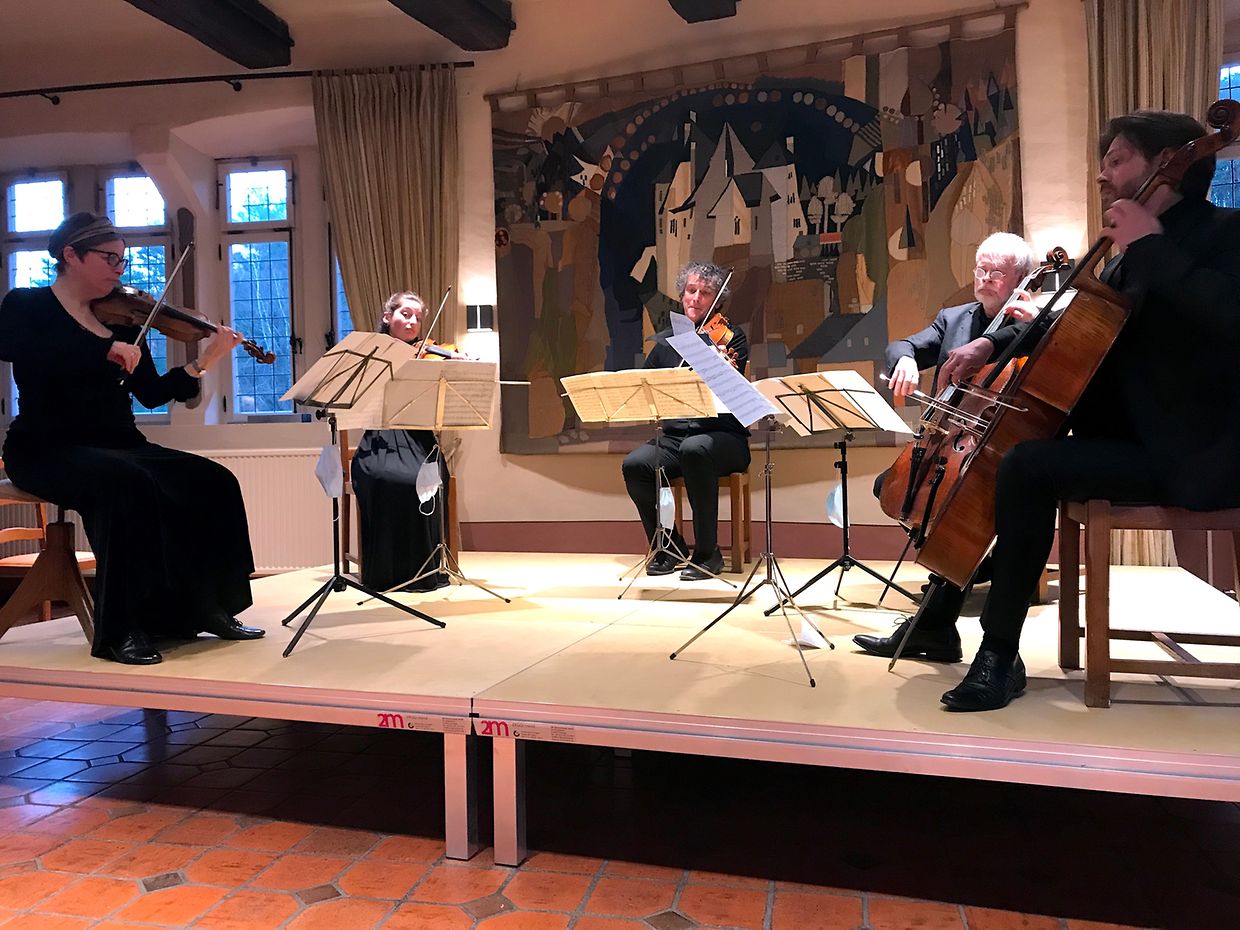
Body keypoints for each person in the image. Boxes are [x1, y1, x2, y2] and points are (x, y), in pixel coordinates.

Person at [928, 109, 1240, 711]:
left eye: (1116, 160)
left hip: (1197, 452)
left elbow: (1229, 314)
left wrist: (1150, 246)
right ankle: (984, 644)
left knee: (1025, 466)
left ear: (1166, 166)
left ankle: (993, 651)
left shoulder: (1224, 232)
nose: (1102, 175)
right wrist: (990, 343)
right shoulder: (1120, 257)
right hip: (1126, 445)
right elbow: (1068, 319)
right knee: (1018, 460)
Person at [0, 212, 262, 666]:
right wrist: (100, 349)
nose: (120, 269)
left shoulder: (122, 320)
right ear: (71, 255)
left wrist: (204, 361)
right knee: (126, 483)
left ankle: (208, 607)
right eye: (110, 258)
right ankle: (120, 630)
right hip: (45, 445)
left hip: (120, 442)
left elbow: (152, 393)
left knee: (213, 480)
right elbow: (14, 347)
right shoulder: (27, 305)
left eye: (123, 260)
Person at [855, 232, 1038, 662]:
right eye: (981, 268)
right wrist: (904, 359)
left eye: (997, 272)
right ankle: (946, 603)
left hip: (1005, 450)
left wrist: (1035, 324)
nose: (985, 278)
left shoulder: (1035, 323)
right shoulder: (954, 319)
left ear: (1021, 278)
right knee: (892, 488)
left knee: (952, 508)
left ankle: (939, 616)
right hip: (953, 443)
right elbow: (903, 345)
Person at [621, 261, 750, 581]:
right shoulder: (665, 343)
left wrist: (720, 366)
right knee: (636, 464)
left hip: (723, 437)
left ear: (717, 300)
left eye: (705, 293)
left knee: (696, 449)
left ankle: (708, 553)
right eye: (691, 291)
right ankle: (668, 546)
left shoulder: (731, 337)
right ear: (682, 294)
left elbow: (733, 393)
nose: (696, 298)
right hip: (676, 437)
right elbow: (645, 386)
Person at [349, 291, 452, 593]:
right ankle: (388, 572)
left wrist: (455, 364)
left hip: (419, 438)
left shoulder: (428, 356)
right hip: (380, 439)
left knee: (431, 478)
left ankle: (424, 569)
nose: (412, 322)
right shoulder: (369, 355)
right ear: (387, 317)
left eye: (418, 318)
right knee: (393, 479)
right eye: (405, 314)